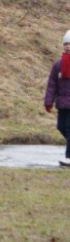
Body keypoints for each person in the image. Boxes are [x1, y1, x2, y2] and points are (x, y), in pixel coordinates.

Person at [44, 30, 70, 167]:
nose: (68, 46)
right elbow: (52, 85)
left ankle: (69, 158)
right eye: (66, 44)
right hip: (62, 103)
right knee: (61, 127)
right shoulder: (58, 65)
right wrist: (49, 102)